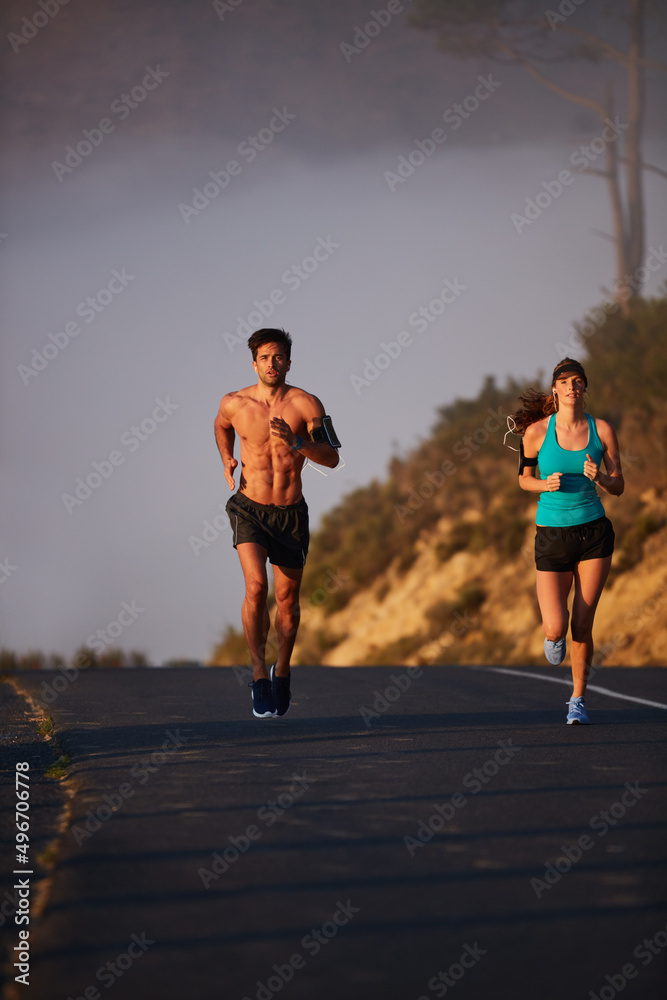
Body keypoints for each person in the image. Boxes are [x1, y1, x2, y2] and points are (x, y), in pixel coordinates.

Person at [214, 328, 340, 718]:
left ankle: (281, 669)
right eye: (265, 357)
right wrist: (227, 458)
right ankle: (258, 674)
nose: (272, 363)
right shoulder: (234, 403)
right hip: (249, 508)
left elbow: (333, 458)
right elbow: (220, 426)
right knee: (256, 586)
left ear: (289, 361)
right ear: (254, 363)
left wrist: (298, 443)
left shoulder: (307, 404)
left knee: (287, 603)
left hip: (290, 514)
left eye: (279, 357)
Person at [511, 357, 624, 725]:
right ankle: (552, 636)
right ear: (555, 390)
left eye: (578, 381)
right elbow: (523, 479)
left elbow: (618, 484)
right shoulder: (536, 434)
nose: (572, 386)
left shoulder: (602, 430)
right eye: (565, 381)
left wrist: (602, 479)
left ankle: (577, 699)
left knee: (583, 623)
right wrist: (544, 484)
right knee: (556, 628)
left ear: (584, 389)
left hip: (594, 533)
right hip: (552, 535)